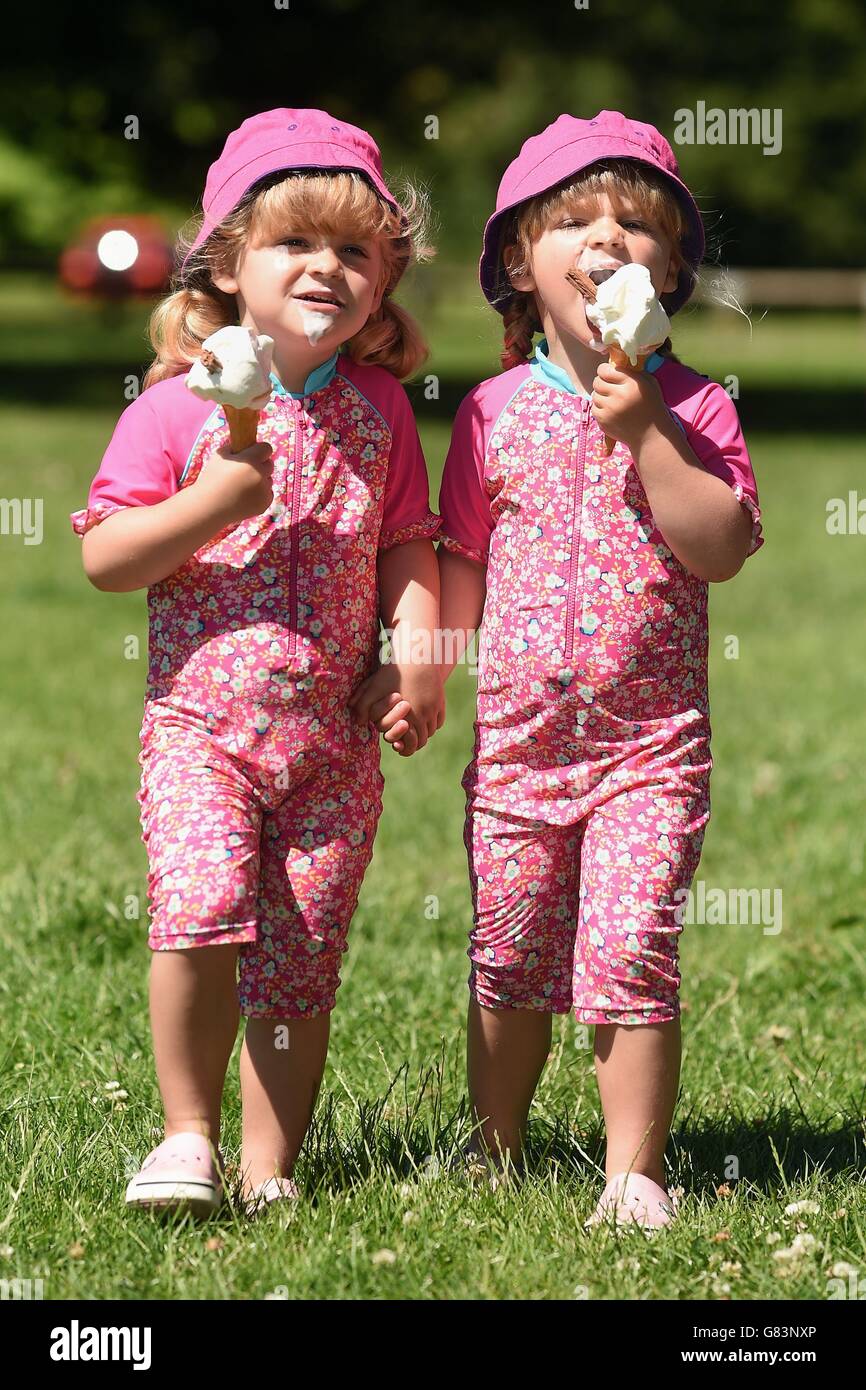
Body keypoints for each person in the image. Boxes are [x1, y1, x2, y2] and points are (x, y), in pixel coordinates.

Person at [357, 109, 763, 1227]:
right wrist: (425, 673)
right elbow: (463, 563)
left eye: (637, 224)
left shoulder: (696, 406)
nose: (607, 239)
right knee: (509, 954)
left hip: (649, 748)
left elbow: (721, 547)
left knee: (631, 950)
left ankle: (632, 1172)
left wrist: (648, 431)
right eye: (574, 222)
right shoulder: (491, 413)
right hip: (520, 754)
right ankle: (495, 1152)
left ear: (669, 271)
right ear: (518, 269)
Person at [71, 108, 444, 1217]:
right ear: (229, 265)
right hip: (203, 730)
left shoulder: (382, 411)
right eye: (294, 242)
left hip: (334, 741)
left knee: (302, 954)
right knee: (200, 910)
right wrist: (213, 501)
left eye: (355, 249)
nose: (326, 266)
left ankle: (270, 1165)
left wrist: (417, 662)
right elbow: (105, 558)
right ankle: (186, 1136)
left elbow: (406, 545)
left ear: (383, 280)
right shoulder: (173, 407)